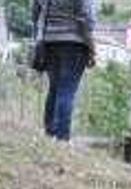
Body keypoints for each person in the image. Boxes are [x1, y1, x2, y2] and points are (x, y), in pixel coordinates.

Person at [32, 0, 98, 141]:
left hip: (49, 41)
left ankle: (50, 132)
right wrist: (91, 45)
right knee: (66, 91)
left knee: (54, 88)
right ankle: (62, 137)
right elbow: (86, 16)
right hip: (75, 42)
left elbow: (35, 13)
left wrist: (39, 38)